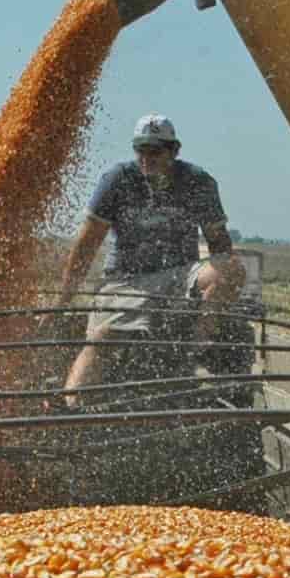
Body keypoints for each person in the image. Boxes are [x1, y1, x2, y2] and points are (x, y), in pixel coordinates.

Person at [59, 114, 245, 399]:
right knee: (102, 337)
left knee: (232, 268)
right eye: (140, 150)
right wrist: (65, 297)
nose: (147, 157)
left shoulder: (199, 182)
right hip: (126, 280)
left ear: (174, 151)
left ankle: (191, 350)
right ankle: (70, 405)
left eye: (155, 151)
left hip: (180, 275)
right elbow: (88, 242)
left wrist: (224, 293)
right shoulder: (117, 180)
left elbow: (219, 242)